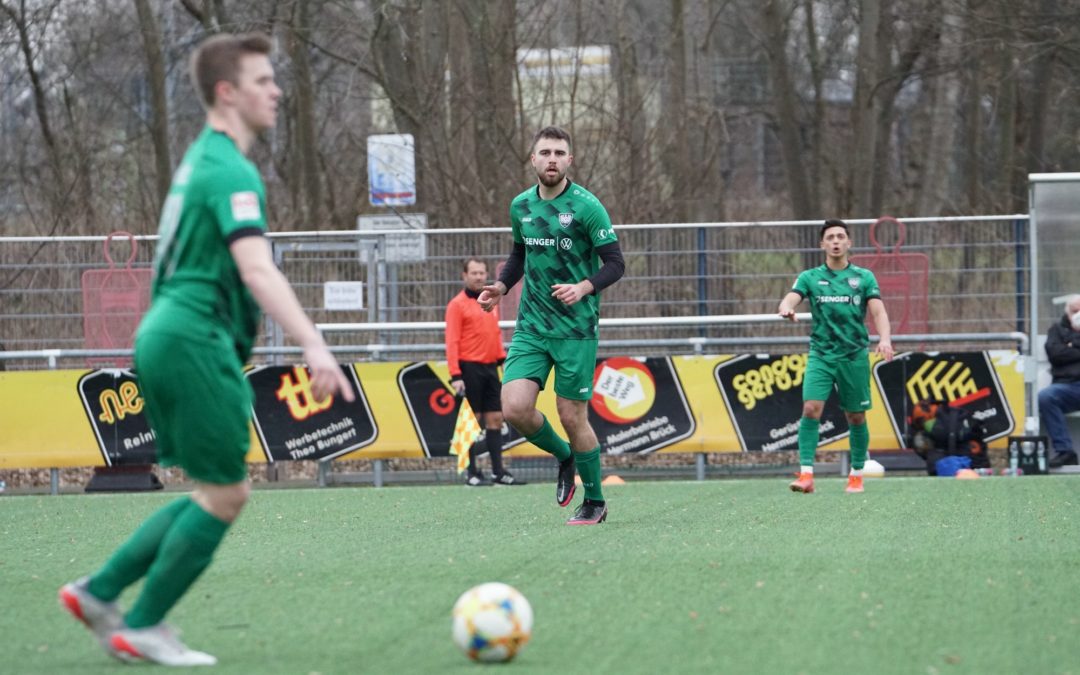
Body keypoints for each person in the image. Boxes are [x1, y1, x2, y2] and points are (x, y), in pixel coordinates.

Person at [58, 33, 355, 666]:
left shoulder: (201, 160)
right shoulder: (227, 168)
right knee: (227, 492)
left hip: (168, 335)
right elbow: (257, 267)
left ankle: (100, 591)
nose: (276, 91)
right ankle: (141, 622)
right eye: (262, 80)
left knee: (215, 490)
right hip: (193, 337)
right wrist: (314, 344)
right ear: (227, 92)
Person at [477, 126, 624, 525]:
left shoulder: (587, 207)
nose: (553, 158)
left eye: (560, 152)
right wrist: (501, 285)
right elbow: (519, 254)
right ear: (534, 159)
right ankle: (564, 456)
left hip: (575, 329)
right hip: (531, 326)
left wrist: (584, 287)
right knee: (515, 408)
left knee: (572, 415)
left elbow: (615, 263)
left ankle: (595, 500)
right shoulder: (521, 206)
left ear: (570, 160)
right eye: (545, 152)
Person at [778, 219, 894, 494]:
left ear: (849, 243)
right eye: (830, 237)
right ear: (823, 244)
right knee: (810, 408)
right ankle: (806, 474)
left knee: (855, 416)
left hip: (853, 355)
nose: (836, 241)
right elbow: (790, 298)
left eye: (840, 236)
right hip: (821, 354)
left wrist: (885, 339)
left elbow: (878, 312)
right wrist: (786, 308)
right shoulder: (810, 277)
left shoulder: (864, 277)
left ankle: (855, 475)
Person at [445, 257, 525, 486]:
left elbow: (493, 333)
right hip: (469, 368)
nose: (479, 277)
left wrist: (501, 360)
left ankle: (498, 472)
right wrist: (456, 375)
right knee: (471, 421)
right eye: (474, 273)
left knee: (495, 419)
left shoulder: (490, 300)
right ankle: (471, 472)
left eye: (482, 273)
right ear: (465, 276)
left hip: (491, 367)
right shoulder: (457, 305)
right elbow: (452, 341)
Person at [1041, 294, 1080, 468]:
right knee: (1046, 397)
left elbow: (1064, 352)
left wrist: (1071, 345)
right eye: (1075, 311)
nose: (1078, 314)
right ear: (1067, 312)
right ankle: (1065, 451)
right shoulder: (1056, 329)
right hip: (1067, 387)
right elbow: (1056, 354)